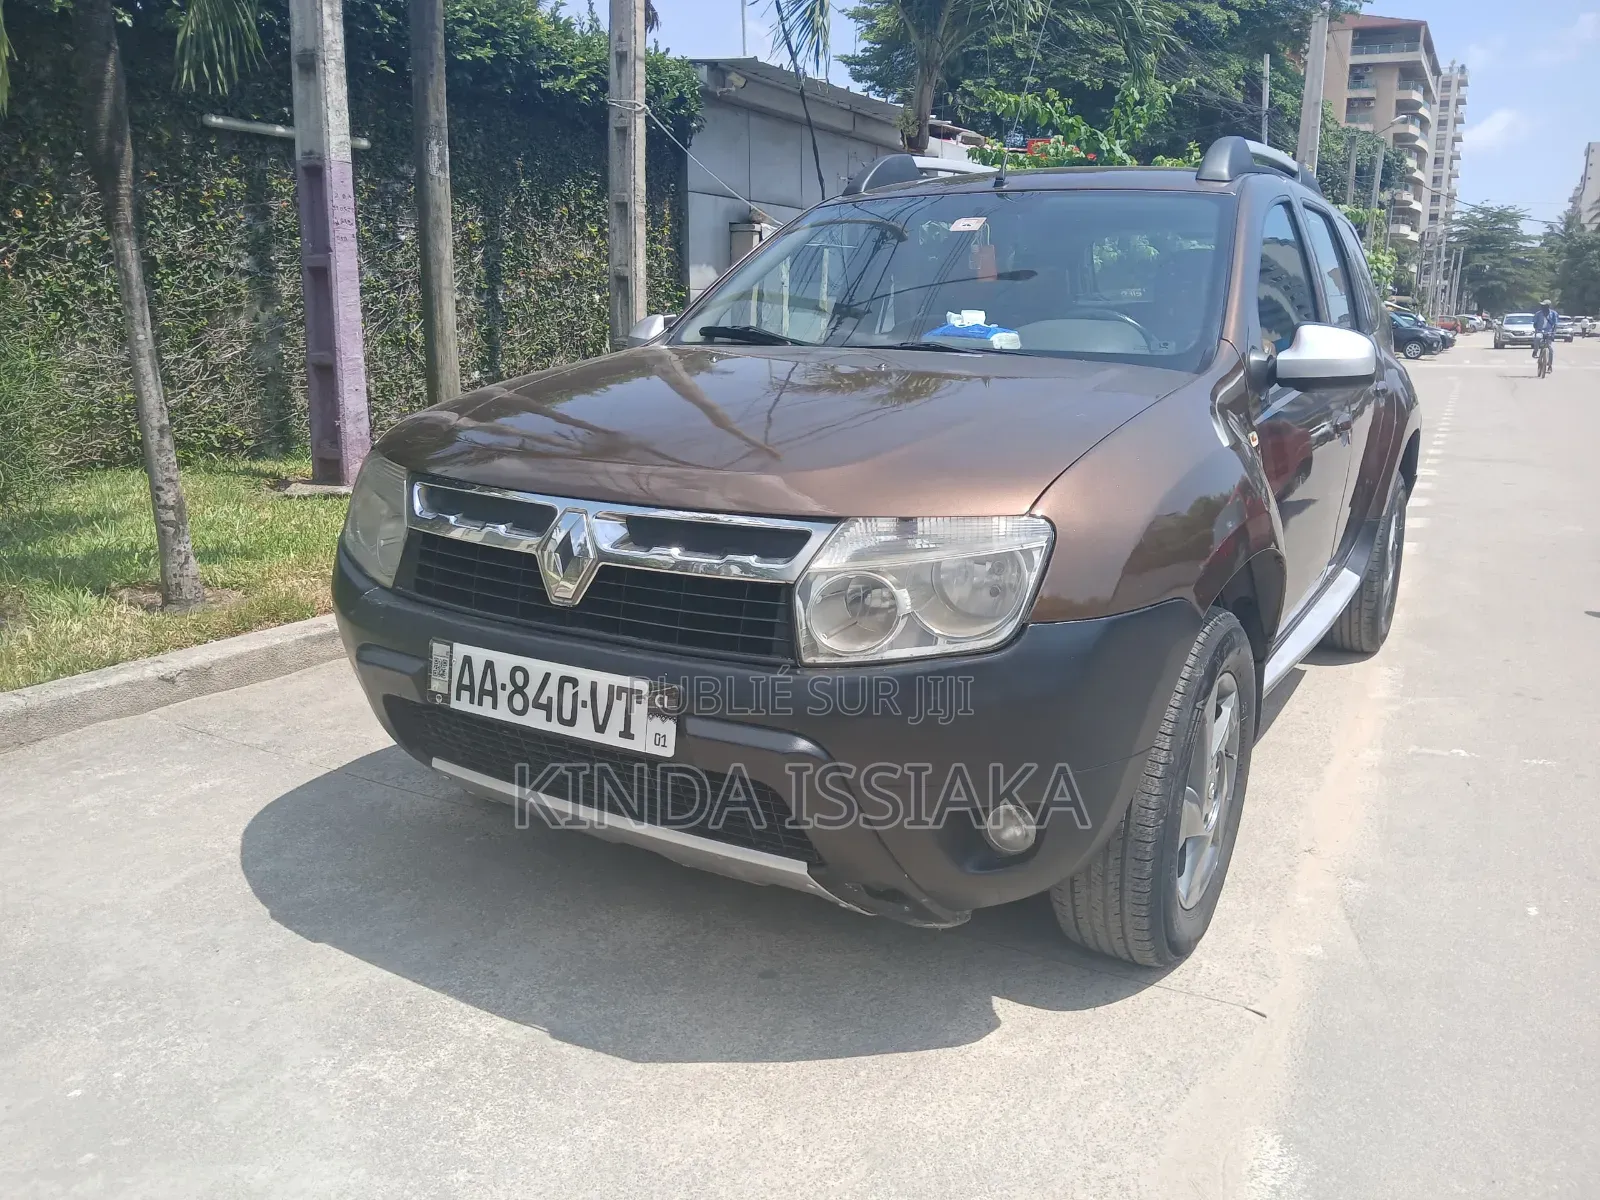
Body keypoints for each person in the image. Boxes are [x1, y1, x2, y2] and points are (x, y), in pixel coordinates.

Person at [1533, 300, 1560, 371]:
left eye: (1544, 306)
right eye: (1542, 306)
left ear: (1548, 306)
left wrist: (1553, 334)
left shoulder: (1554, 314)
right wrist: (1536, 329)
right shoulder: (1538, 314)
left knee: (1550, 349)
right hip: (1540, 331)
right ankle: (1535, 351)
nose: (1542, 307)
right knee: (1537, 338)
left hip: (1549, 331)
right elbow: (1535, 323)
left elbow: (1555, 324)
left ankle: (1550, 365)